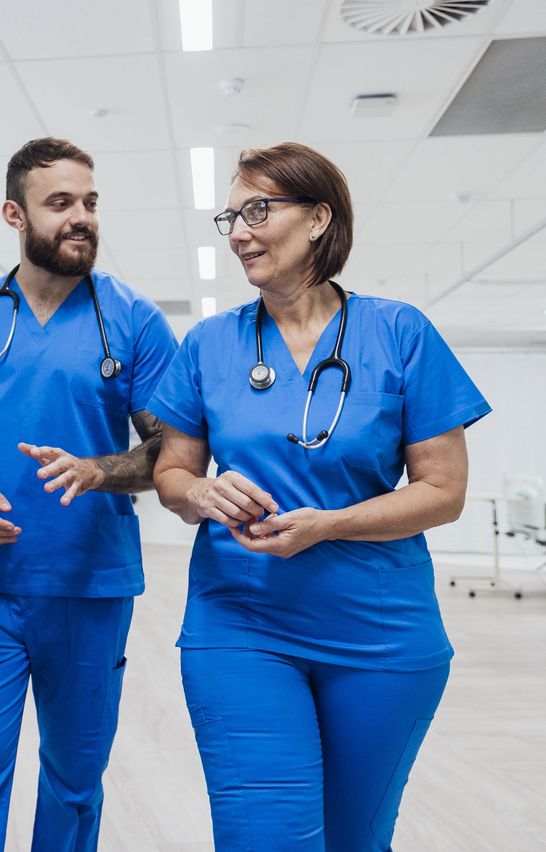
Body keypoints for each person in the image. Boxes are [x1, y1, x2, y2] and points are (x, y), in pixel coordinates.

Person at [149, 143, 491, 852]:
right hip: (240, 624)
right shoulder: (209, 344)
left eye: (258, 210)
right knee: (264, 836)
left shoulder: (399, 333)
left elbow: (444, 491)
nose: (239, 231)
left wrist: (330, 525)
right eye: (231, 216)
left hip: (380, 632)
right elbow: (171, 476)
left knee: (353, 840)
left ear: (318, 220)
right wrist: (203, 492)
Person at [0, 138, 179, 851]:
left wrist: (98, 470)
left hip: (89, 583)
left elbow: (174, 451)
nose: (82, 217)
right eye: (60, 202)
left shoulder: (133, 320)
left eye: (90, 203)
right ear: (15, 213)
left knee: (73, 785)